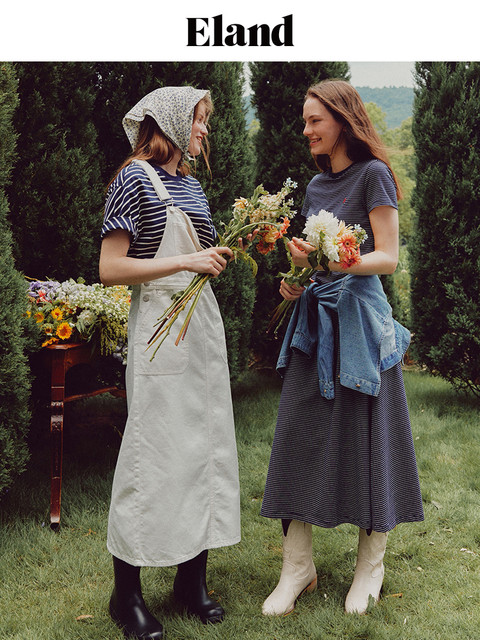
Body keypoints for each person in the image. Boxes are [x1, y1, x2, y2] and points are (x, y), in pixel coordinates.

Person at [260, 79, 424, 617]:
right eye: (305, 122)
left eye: (315, 121)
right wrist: (297, 279)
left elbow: (388, 257)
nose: (306, 130)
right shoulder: (314, 185)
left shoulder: (374, 174)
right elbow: (314, 262)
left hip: (361, 325)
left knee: (368, 441)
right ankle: (297, 567)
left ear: (342, 120)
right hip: (315, 325)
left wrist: (329, 262)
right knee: (296, 437)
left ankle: (370, 567)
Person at [99, 86, 241, 640]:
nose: (204, 129)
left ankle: (190, 582)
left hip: (200, 325)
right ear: (175, 122)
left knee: (202, 448)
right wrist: (187, 261)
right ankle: (126, 595)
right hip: (160, 329)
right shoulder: (134, 179)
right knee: (151, 454)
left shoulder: (192, 184)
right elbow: (110, 268)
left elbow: (201, 257)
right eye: (199, 119)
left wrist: (224, 252)